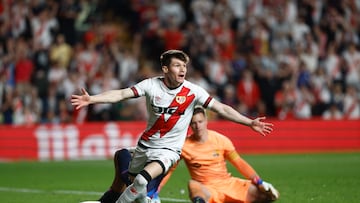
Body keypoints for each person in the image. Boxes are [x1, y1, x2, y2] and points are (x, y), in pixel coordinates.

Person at [71, 49, 274, 203]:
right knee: (134, 186)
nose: (183, 69)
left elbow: (222, 108)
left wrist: (249, 122)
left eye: (184, 66)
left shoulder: (193, 91)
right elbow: (122, 94)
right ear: (166, 69)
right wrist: (92, 99)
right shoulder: (150, 85)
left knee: (141, 181)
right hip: (146, 145)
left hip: (169, 150)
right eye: (177, 65)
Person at [159, 107, 280, 203]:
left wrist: (259, 182)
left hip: (228, 185)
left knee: (271, 195)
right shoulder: (184, 145)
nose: (198, 126)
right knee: (193, 185)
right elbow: (169, 170)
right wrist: (155, 191)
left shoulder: (221, 140)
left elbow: (239, 163)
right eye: (194, 123)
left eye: (200, 121)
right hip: (206, 189)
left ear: (206, 120)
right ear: (189, 125)